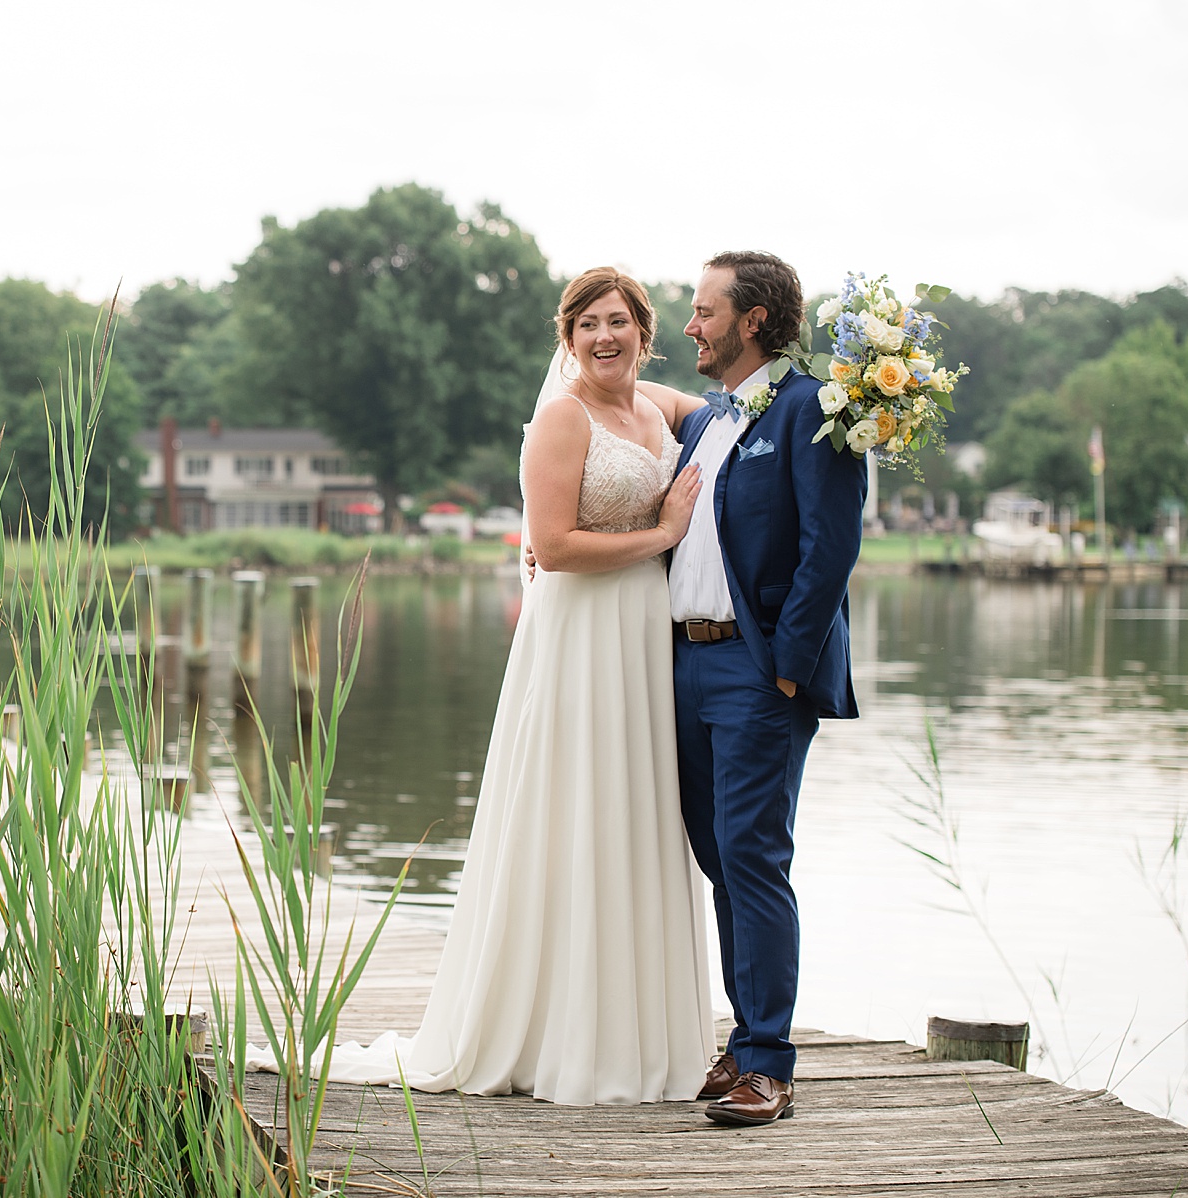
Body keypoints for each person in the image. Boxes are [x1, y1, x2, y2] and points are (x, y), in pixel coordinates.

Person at [316, 267, 714, 1104]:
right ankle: (553, 1032)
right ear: (567, 339)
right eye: (586, 325)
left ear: (645, 330)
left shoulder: (661, 409)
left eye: (618, 322)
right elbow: (557, 546)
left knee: (635, 815)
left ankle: (636, 1035)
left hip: (644, 638)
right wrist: (665, 530)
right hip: (578, 636)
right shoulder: (561, 418)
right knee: (574, 812)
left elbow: (738, 407)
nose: (603, 338)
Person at [670, 251, 867, 1126]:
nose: (691, 326)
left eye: (704, 310)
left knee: (753, 854)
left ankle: (768, 1065)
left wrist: (785, 662)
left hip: (755, 670)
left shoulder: (811, 411)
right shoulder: (708, 420)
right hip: (683, 666)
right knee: (717, 855)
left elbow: (831, 546)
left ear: (752, 320)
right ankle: (742, 1037)